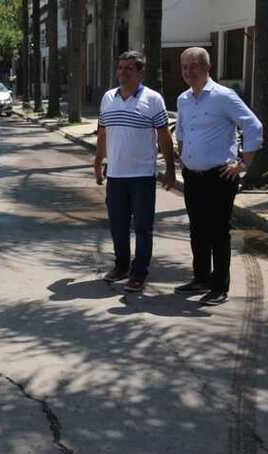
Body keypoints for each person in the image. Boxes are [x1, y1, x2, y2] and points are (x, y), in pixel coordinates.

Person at [174, 47, 262, 306]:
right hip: (193, 176)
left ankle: (219, 287)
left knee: (218, 232)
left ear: (207, 68)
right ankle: (200, 278)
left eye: (194, 66)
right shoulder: (183, 99)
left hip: (220, 176)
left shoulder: (224, 96)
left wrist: (243, 163)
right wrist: (184, 155)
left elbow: (253, 125)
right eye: (185, 67)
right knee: (197, 230)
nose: (189, 72)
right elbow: (180, 131)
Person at [93, 50, 176, 292]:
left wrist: (170, 170)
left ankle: (139, 273)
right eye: (120, 68)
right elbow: (102, 133)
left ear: (140, 71)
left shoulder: (153, 99)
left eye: (129, 68)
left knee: (142, 227)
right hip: (116, 175)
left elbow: (164, 137)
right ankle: (121, 266)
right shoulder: (108, 98)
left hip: (142, 176)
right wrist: (98, 161)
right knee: (117, 225)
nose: (123, 73)